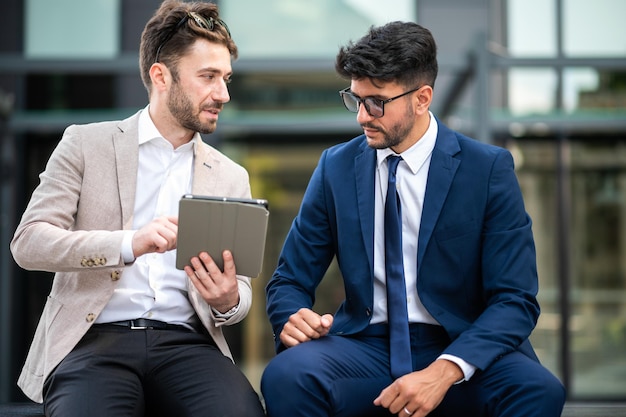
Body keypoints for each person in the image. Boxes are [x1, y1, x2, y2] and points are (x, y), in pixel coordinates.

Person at [261, 21, 565, 417]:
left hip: (460, 344)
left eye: (376, 102)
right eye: (355, 100)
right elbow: (289, 280)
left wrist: (445, 370)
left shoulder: (487, 169)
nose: (362, 117)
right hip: (364, 346)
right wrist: (292, 317)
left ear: (422, 98)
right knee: (287, 375)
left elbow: (516, 299)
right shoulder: (335, 167)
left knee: (538, 391)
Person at [10, 1, 265, 416]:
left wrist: (227, 300)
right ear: (160, 76)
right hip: (92, 341)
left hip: (188, 343)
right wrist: (130, 243)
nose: (224, 93)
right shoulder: (84, 144)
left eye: (226, 78)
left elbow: (240, 298)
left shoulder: (230, 175)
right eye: (208, 77)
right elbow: (29, 243)